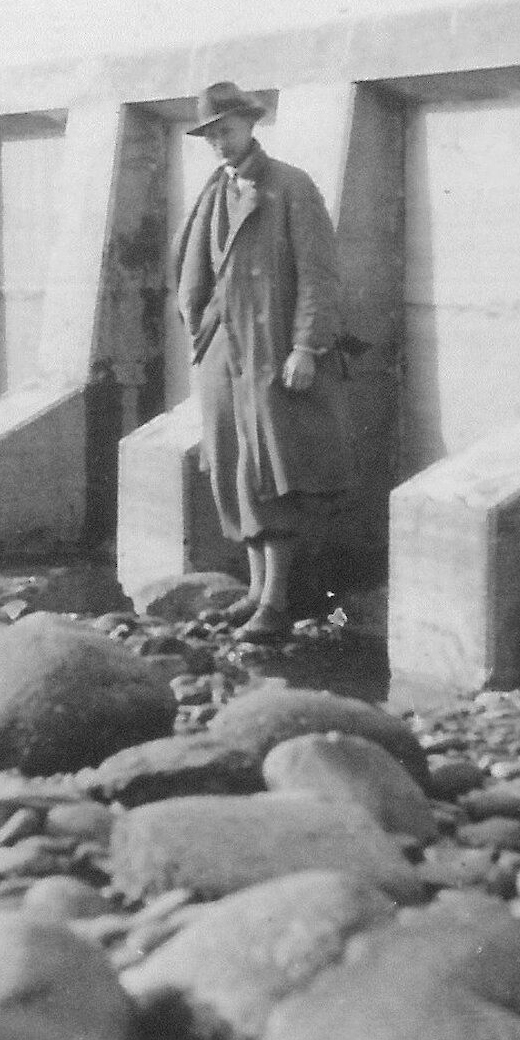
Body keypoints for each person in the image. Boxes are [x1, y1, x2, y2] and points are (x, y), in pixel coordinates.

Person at [171, 81, 354, 641]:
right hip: (223, 348)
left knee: (274, 470)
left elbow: (320, 275)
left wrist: (306, 345)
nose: (220, 143)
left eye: (226, 130)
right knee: (231, 463)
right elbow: (195, 271)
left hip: (273, 349)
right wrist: (199, 330)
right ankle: (253, 592)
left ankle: (276, 602)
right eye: (211, 135)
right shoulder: (213, 192)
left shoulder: (291, 188)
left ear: (251, 126)